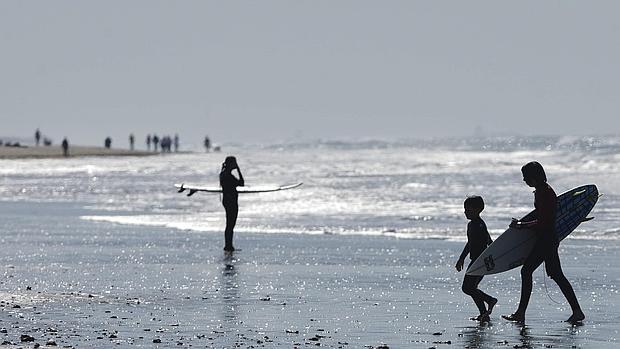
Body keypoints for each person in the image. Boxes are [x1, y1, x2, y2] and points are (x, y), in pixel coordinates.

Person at [502, 161, 585, 324]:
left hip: (547, 239)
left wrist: (521, 226)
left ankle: (520, 313)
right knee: (556, 274)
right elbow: (541, 216)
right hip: (545, 238)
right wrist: (522, 223)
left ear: (535, 176)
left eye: (526, 177)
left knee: (527, 271)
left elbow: (544, 222)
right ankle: (577, 311)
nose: (524, 180)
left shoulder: (546, 193)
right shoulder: (540, 191)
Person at [456, 195, 497, 321]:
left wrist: (494, 257)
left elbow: (489, 241)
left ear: (478, 209)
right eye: (465, 209)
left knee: (467, 288)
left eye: (468, 209)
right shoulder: (471, 225)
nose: (465, 212)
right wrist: (461, 258)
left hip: (481, 261)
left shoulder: (480, 225)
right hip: (475, 261)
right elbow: (470, 243)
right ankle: (483, 314)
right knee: (472, 288)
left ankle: (490, 300)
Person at [219, 156, 244, 252]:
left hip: (227, 200)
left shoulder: (223, 174)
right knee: (230, 224)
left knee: (229, 224)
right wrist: (238, 170)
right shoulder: (228, 175)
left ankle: (228, 245)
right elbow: (241, 183)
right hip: (231, 201)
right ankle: (228, 246)